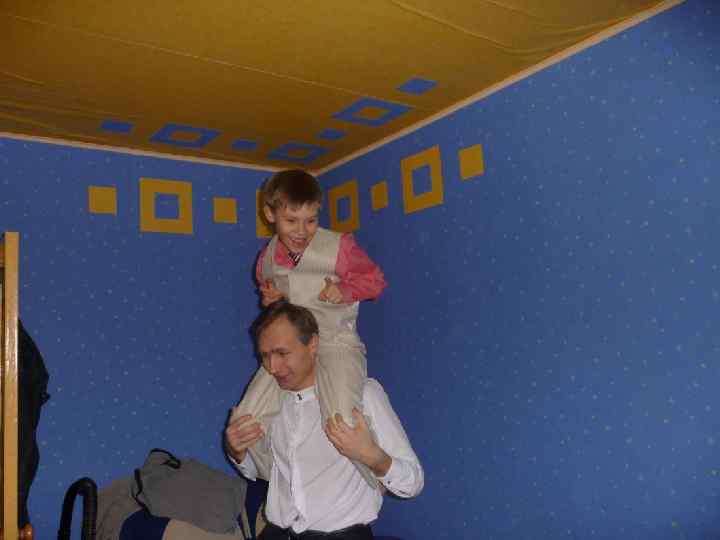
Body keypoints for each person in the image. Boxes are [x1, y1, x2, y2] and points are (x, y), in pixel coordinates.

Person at [232, 169, 387, 484]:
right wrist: (273, 299)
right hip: (291, 348)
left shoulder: (339, 247)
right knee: (245, 420)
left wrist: (345, 290)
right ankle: (282, 483)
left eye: (311, 220)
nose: (302, 231)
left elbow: (375, 281)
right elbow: (274, 299)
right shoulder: (265, 260)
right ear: (270, 215)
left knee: (343, 421)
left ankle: (373, 481)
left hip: (335, 342)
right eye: (291, 221)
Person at [225, 301, 423, 540]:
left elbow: (412, 483)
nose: (272, 367)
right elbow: (263, 471)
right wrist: (237, 452)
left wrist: (371, 455)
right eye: (265, 356)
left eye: (282, 353)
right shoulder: (272, 405)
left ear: (313, 344)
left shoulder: (361, 396)